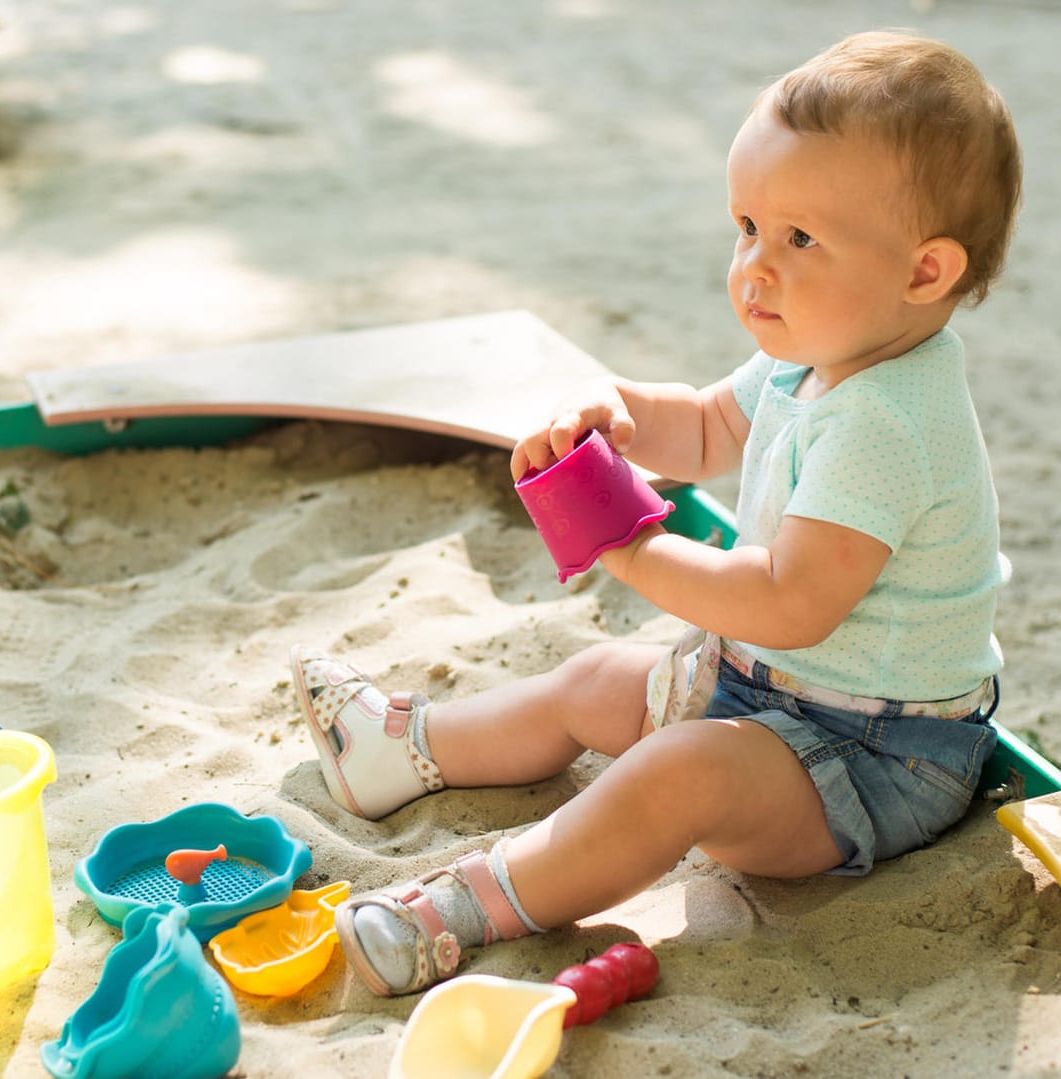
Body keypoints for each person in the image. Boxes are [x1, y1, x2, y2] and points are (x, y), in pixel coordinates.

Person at [291, 28, 1022, 997]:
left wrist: (630, 545)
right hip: (773, 698)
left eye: (800, 239)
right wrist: (625, 415)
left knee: (675, 773)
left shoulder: (887, 421)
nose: (755, 267)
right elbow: (715, 422)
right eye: (747, 226)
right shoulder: (821, 351)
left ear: (924, 271)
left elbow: (788, 604)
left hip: (876, 759)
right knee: (599, 679)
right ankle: (402, 746)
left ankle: (469, 907)